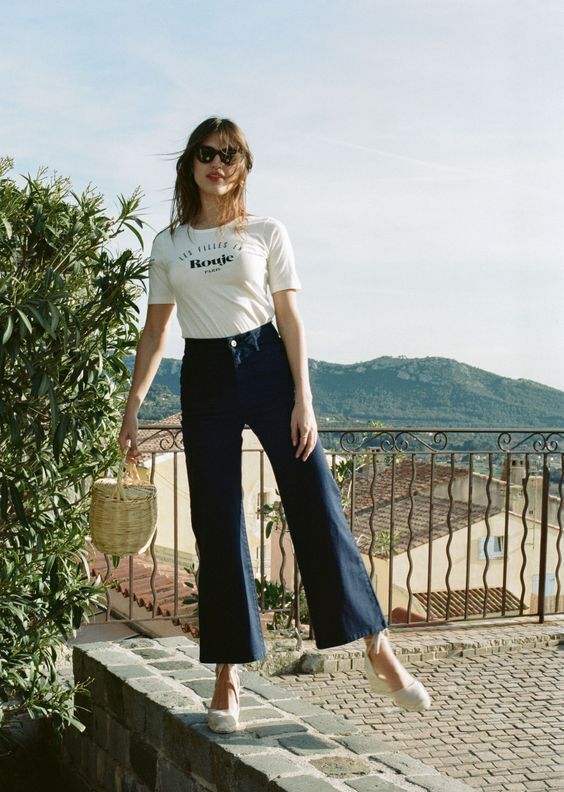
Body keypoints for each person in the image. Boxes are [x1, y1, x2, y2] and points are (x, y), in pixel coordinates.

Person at [119, 116, 431, 733]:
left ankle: (375, 645)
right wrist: (132, 409)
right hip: (204, 374)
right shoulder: (169, 243)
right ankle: (228, 675)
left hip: (267, 368)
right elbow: (156, 333)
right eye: (207, 153)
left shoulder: (265, 230)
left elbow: (290, 318)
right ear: (190, 164)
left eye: (230, 154)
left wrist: (304, 398)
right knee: (216, 520)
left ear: (243, 166)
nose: (218, 163)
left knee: (316, 497)